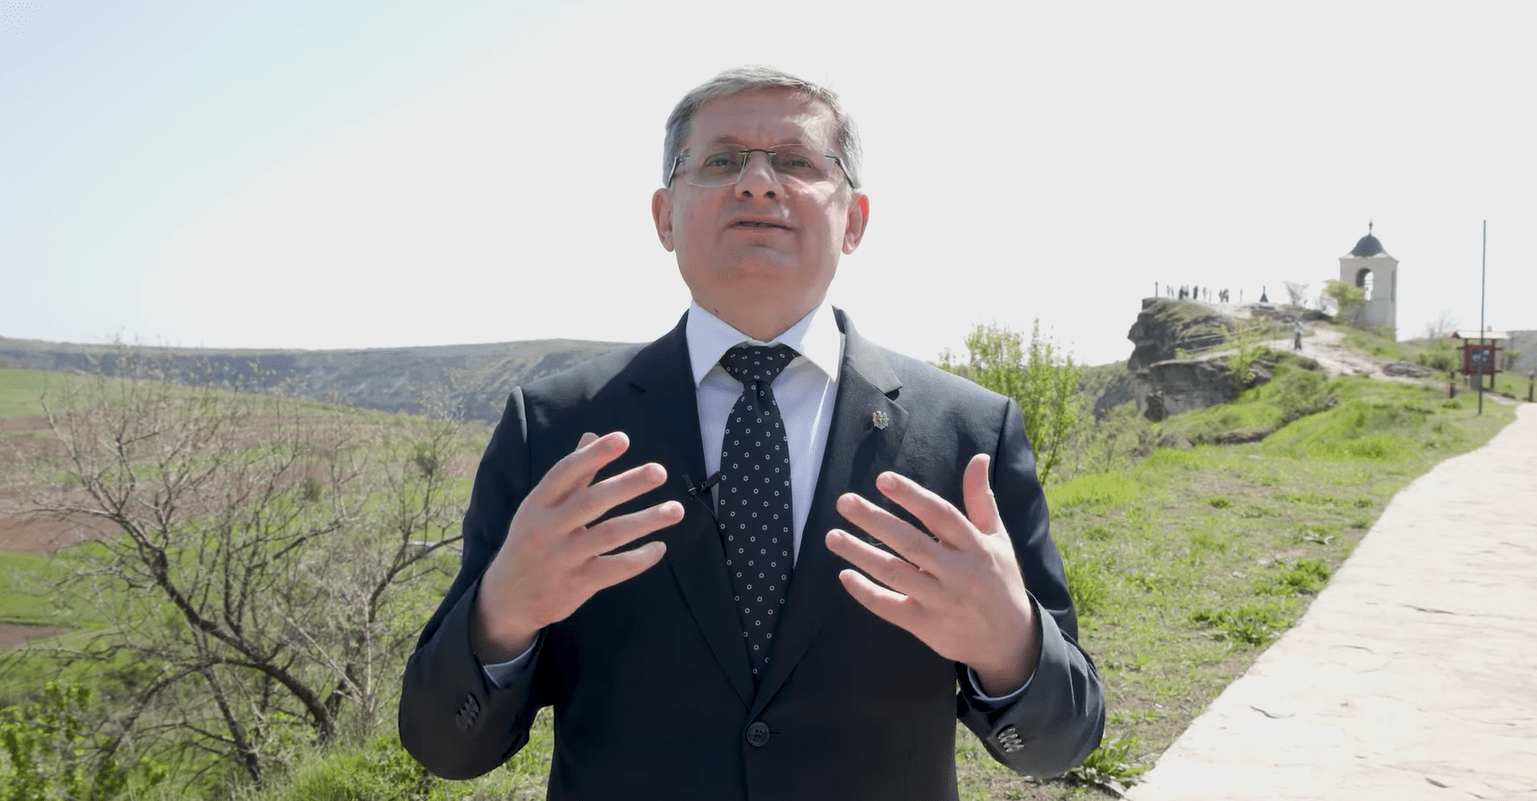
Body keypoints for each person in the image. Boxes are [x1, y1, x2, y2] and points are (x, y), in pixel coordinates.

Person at [398, 66, 1104, 800]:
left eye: (796, 160)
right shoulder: (551, 430)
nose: (757, 183)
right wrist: (499, 617)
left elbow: (1062, 743)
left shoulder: (967, 435)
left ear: (854, 220)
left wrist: (1011, 649)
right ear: (664, 216)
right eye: (721, 160)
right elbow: (445, 744)